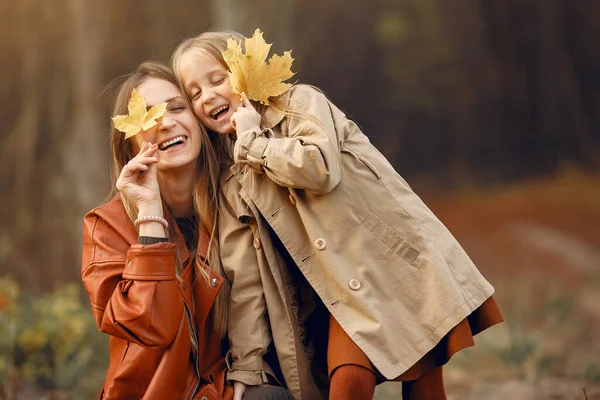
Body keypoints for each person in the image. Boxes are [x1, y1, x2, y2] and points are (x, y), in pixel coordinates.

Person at [172, 31, 504, 400]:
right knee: (349, 382)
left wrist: (253, 142)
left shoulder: (299, 104)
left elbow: (319, 168)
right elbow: (245, 279)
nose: (208, 96)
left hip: (386, 269)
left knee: (420, 385)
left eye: (217, 79)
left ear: (245, 70)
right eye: (194, 93)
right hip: (328, 298)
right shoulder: (233, 182)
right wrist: (248, 365)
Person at [81, 61, 292, 400]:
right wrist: (149, 216)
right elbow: (150, 327)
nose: (165, 123)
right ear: (130, 145)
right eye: (148, 118)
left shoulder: (241, 201)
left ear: (199, 121)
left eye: (177, 107)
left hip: (228, 386)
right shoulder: (106, 227)